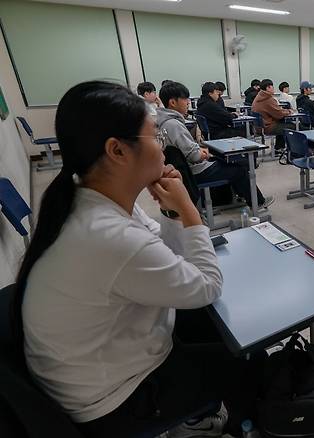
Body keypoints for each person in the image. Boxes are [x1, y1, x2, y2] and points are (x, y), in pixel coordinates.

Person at [12, 80, 262, 438]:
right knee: (249, 359)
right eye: (155, 137)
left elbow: (163, 251)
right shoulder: (107, 235)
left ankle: (195, 417)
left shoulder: (90, 198)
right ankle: (238, 427)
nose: (163, 149)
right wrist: (189, 210)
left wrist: (172, 212)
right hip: (116, 400)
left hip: (102, 367)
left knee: (216, 325)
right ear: (117, 151)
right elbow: (207, 286)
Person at [157, 81, 272, 208]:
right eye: (185, 99)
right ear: (173, 102)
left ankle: (237, 196)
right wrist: (203, 153)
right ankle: (258, 203)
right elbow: (194, 156)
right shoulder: (174, 124)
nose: (188, 102)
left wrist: (201, 150)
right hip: (196, 171)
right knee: (239, 169)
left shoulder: (164, 122)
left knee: (227, 161)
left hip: (187, 170)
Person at [251, 78, 294, 150]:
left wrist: (283, 111)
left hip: (259, 127)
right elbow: (279, 114)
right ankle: (290, 149)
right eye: (273, 87)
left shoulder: (259, 96)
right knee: (292, 126)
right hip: (267, 127)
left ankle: (279, 148)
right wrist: (289, 111)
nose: (274, 89)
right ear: (268, 88)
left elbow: (276, 111)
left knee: (282, 123)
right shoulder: (268, 99)